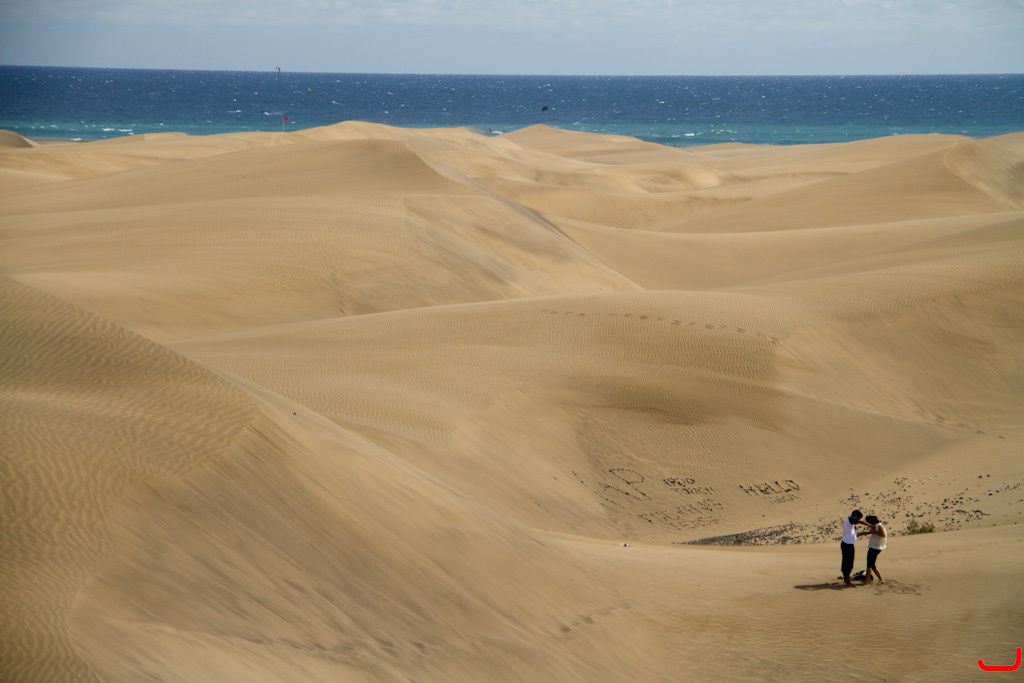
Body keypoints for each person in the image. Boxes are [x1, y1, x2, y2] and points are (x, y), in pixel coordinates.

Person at [840, 510, 872, 586]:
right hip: (847, 544)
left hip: (850, 544)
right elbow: (861, 522)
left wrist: (866, 533)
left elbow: (855, 534)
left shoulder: (852, 524)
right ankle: (846, 580)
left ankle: (846, 578)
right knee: (847, 562)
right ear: (856, 516)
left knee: (849, 561)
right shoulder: (849, 519)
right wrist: (871, 526)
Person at [863, 515, 887, 585]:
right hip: (874, 547)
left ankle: (866, 582)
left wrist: (875, 532)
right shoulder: (877, 526)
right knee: (872, 565)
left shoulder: (879, 526)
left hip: (875, 548)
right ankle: (881, 579)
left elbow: (883, 534)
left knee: (869, 565)